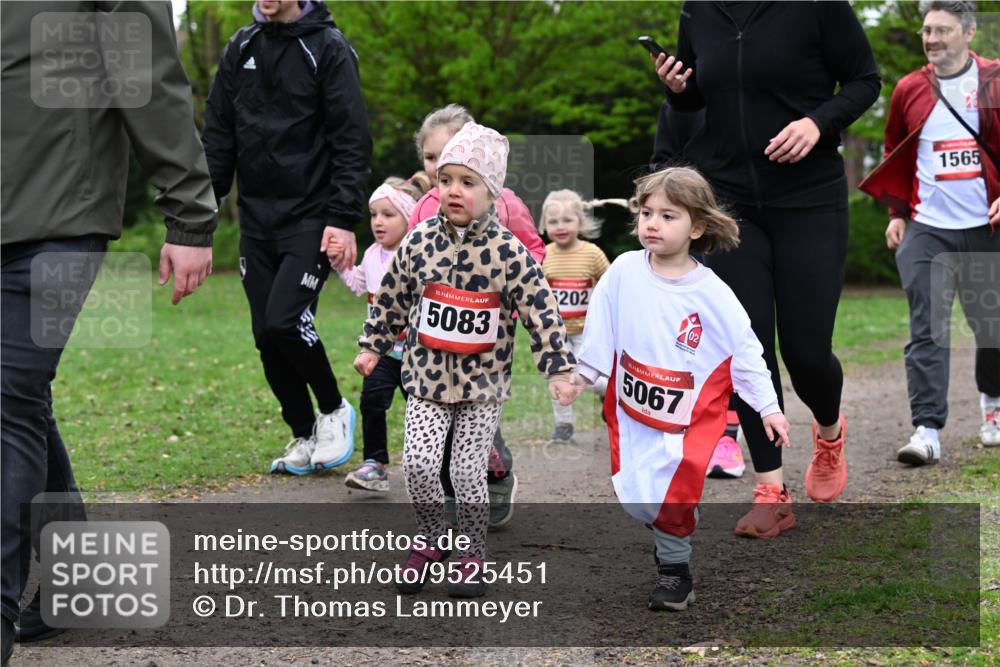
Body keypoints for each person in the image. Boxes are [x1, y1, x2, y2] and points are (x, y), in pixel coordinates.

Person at [0, 1, 218, 662]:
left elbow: (142, 70)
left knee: (6, 400)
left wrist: (188, 214)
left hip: (57, 211)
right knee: (20, 399)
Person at [655, 1, 880, 536]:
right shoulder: (699, 10)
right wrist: (677, 91)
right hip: (729, 200)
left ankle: (829, 431)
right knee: (745, 349)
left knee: (805, 353)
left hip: (809, 199)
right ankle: (771, 491)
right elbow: (693, 106)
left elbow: (865, 80)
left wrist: (816, 122)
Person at [356, 122, 576, 598]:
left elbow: (542, 311)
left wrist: (558, 367)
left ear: (492, 191)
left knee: (464, 471)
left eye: (468, 182)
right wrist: (372, 345)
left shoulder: (509, 253)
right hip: (426, 378)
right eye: (446, 180)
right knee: (417, 464)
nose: (453, 190)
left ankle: (471, 552)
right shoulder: (417, 242)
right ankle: (432, 538)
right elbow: (391, 299)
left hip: (482, 384)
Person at [575, 167, 790, 611]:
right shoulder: (624, 271)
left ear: (697, 227)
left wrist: (767, 407)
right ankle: (673, 527)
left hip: (686, 418)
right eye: (646, 212)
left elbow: (746, 352)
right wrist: (582, 375)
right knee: (639, 494)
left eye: (668, 216)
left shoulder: (713, 293)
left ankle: (675, 573)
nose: (652, 223)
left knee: (673, 491)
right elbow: (600, 325)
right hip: (635, 408)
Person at [202, 0, 372, 476]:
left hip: (312, 217)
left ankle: (335, 409)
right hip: (257, 221)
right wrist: (198, 214)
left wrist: (342, 216)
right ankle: (303, 432)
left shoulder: (329, 48)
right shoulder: (241, 46)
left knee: (283, 320)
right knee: (265, 335)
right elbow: (218, 136)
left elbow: (351, 138)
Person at [859, 0, 1000, 463]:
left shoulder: (994, 81)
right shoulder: (909, 89)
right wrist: (897, 213)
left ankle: (993, 407)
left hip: (987, 229)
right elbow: (896, 150)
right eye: (926, 30)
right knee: (928, 329)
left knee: (992, 327)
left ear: (969, 33)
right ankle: (927, 430)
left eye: (942, 30)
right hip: (928, 230)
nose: (931, 38)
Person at [408, 104, 547, 527]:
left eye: (446, 153)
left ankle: (496, 470)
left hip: (487, 341)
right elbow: (409, 267)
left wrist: (513, 296)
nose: (438, 168)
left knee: (474, 412)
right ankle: (452, 494)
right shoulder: (423, 209)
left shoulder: (505, 206)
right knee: (435, 412)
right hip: (433, 340)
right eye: (431, 159)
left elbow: (533, 253)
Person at [650, 102, 747, 479]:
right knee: (680, 345)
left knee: (722, 341)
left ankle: (727, 434)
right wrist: (667, 215)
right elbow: (660, 163)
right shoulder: (679, 104)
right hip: (684, 243)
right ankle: (677, 430)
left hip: (738, 232)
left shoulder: (754, 91)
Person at [327, 177, 428, 491]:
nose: (378, 222)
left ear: (409, 218)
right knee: (372, 402)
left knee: (422, 412)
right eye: (373, 215)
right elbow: (360, 285)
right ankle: (375, 464)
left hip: (417, 353)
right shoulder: (372, 254)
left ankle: (431, 464)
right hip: (380, 351)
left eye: (388, 214)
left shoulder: (418, 253)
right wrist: (340, 264)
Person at [538, 190, 618, 443]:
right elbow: (537, 292)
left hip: (586, 331)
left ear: (580, 222)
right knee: (558, 376)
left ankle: (607, 392)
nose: (560, 226)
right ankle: (564, 425)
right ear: (544, 225)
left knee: (588, 377)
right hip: (556, 332)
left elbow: (610, 286)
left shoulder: (592, 254)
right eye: (553, 221)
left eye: (567, 220)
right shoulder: (544, 255)